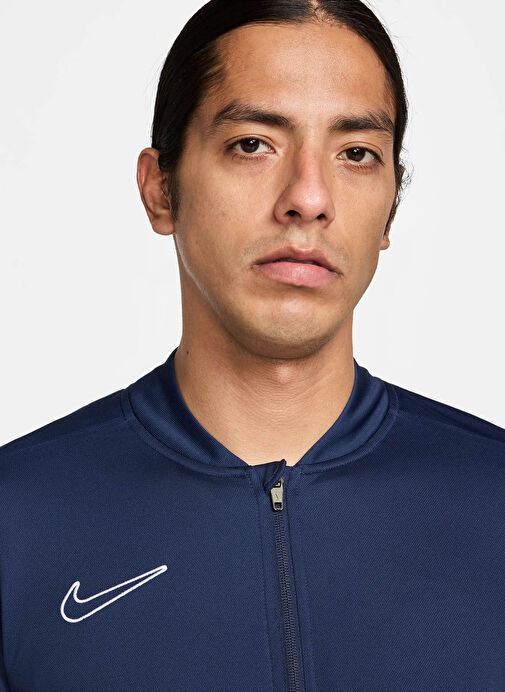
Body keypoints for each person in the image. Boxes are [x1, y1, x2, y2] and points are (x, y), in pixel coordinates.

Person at [1, 0, 504, 689]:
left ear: (390, 208)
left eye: (356, 153)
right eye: (252, 144)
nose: (308, 197)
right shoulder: (18, 522)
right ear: (160, 189)